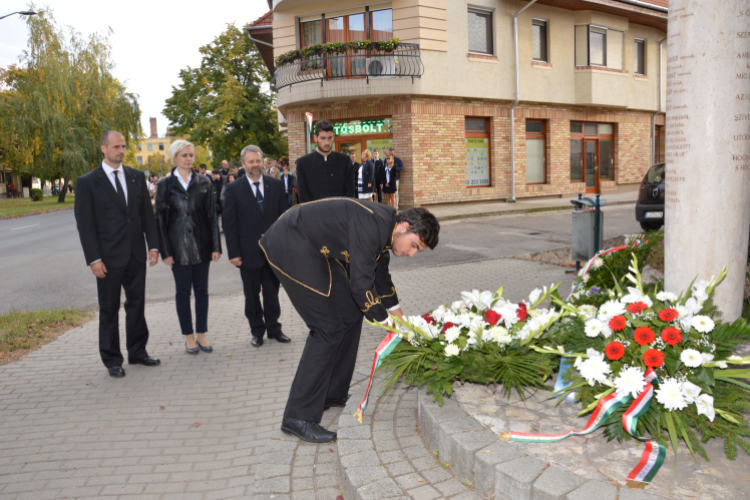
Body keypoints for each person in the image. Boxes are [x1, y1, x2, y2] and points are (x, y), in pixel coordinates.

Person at [260, 200, 440, 442]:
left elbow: (381, 279)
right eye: (414, 245)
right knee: (327, 329)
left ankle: (332, 394)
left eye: (418, 250)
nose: (411, 254)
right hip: (292, 242)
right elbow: (361, 285)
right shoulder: (373, 225)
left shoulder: (385, 231)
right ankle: (297, 416)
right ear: (404, 227)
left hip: (313, 247)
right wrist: (390, 326)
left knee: (351, 313)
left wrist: (403, 324)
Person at [74, 130, 161, 378]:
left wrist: (153, 246)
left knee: (137, 305)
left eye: (123, 146)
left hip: (135, 254)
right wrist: (94, 258)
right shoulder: (88, 182)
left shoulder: (135, 177)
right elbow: (85, 224)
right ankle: (112, 359)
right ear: (103, 148)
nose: (121, 151)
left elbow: (146, 215)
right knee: (109, 308)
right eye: (115, 147)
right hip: (107, 258)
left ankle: (138, 352)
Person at [155, 140, 222, 355]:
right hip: (178, 249)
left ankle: (202, 333)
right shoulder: (165, 185)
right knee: (183, 293)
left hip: (202, 246)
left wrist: (216, 245)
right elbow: (160, 221)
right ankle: (189, 337)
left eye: (191, 155)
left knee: (202, 291)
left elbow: (212, 215)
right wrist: (166, 252)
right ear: (175, 158)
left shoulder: (204, 182)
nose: (189, 159)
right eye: (184, 155)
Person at [223, 145, 290, 348]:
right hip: (247, 253)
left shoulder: (275, 185)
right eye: (250, 161)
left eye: (258, 161)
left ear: (263, 161)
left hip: (271, 253)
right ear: (243, 164)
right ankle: (257, 331)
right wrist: (233, 253)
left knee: (272, 293)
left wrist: (283, 249)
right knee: (251, 296)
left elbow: (283, 220)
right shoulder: (233, 189)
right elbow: (229, 224)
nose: (255, 165)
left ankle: (274, 329)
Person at [295, 120, 355, 202]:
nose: (327, 142)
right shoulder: (303, 163)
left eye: (330, 138)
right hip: (315, 213)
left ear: (333, 137)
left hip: (340, 212)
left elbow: (350, 191)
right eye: (323, 138)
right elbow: (303, 195)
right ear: (316, 138)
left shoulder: (345, 160)